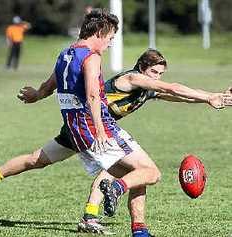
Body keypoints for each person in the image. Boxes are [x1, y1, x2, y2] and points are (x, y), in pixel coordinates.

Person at [0, 10, 232, 237]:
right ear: (101, 32)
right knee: (150, 173)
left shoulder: (65, 54)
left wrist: (36, 95)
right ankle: (116, 204)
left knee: (36, 159)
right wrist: (100, 129)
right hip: (94, 128)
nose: (110, 43)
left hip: (73, 128)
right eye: (111, 38)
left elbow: (49, 86)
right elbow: (96, 95)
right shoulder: (95, 59)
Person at [18, 48, 232, 236]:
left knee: (127, 172)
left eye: (160, 74)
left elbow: (181, 96)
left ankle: (114, 223)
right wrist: (208, 98)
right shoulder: (131, 79)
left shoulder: (147, 88)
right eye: (154, 72)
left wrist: (215, 96)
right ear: (141, 67)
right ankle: (112, 202)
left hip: (95, 129)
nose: (157, 78)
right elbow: (173, 88)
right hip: (94, 128)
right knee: (138, 172)